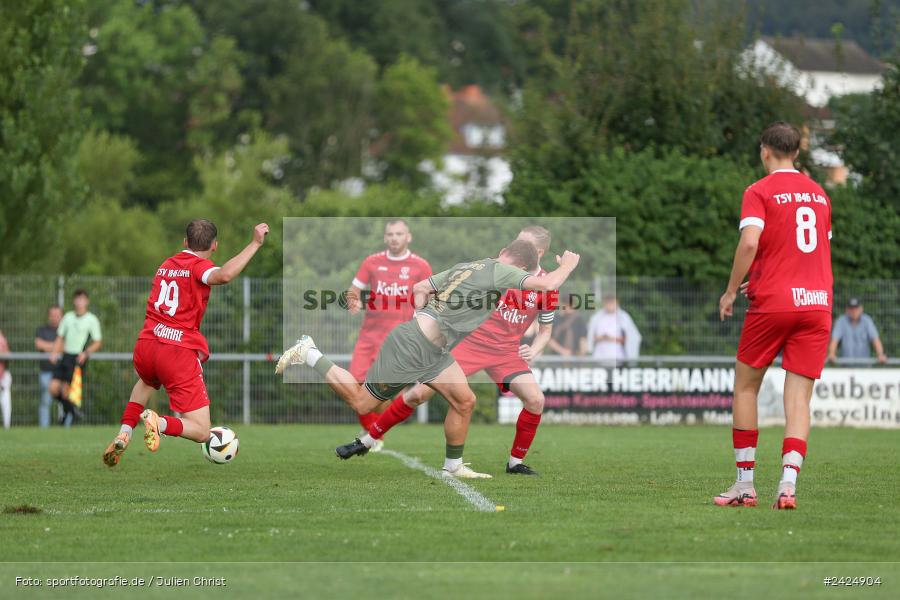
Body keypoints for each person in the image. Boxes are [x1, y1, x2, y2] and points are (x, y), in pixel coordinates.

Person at [276, 240, 580, 478]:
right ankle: (310, 352)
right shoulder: (504, 270)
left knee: (464, 400)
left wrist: (424, 318)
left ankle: (453, 466)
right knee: (361, 402)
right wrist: (567, 264)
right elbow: (548, 285)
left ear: (502, 251)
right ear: (523, 268)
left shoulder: (470, 265)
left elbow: (420, 288)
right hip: (414, 346)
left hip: (433, 350)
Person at [344, 226, 557, 476]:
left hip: (507, 352)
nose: (515, 246)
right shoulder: (495, 270)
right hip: (471, 343)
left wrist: (536, 349)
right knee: (417, 395)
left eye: (524, 243)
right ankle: (368, 440)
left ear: (539, 252)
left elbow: (545, 330)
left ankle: (515, 463)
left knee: (535, 400)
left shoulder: (545, 285)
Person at [717, 122, 833, 510]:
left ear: (764, 151)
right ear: (797, 153)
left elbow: (751, 241)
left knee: (746, 387)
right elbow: (804, 252)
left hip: (774, 305)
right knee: (799, 401)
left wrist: (734, 288)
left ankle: (745, 485)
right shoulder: (819, 194)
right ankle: (787, 486)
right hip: (817, 302)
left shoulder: (759, 191)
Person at [102, 220, 269, 467]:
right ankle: (158, 423)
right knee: (202, 431)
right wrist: (255, 243)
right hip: (176, 349)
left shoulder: (166, 265)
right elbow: (224, 275)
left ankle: (124, 433)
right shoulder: (199, 267)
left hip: (147, 343)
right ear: (214, 246)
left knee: (146, 382)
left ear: (184, 242)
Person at [344, 219, 432, 450]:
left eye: (399, 234)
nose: (394, 238)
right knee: (354, 386)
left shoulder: (420, 265)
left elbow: (432, 297)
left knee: (385, 393)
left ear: (408, 237)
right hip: (369, 338)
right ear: (385, 238)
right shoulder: (372, 262)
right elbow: (353, 292)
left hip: (400, 341)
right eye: (390, 234)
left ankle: (373, 434)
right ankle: (371, 432)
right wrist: (353, 302)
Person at [50, 290, 103, 426]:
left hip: (78, 358)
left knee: (67, 391)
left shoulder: (91, 319)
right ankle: (73, 411)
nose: (80, 302)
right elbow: (60, 337)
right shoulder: (67, 317)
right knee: (53, 388)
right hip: (65, 356)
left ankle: (67, 416)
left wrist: (86, 353)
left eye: (82, 299)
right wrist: (54, 352)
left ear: (87, 301)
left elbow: (98, 341)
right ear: (74, 301)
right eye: (77, 299)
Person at [828, 298, 887, 364]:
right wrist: (831, 354)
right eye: (851, 308)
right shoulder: (841, 321)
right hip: (845, 368)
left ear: (861, 309)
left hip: (864, 368)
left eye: (856, 308)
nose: (854, 311)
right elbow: (835, 340)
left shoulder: (867, 321)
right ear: (847, 310)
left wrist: (880, 354)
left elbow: (875, 339)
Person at [586, 296, 641, 363]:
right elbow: (590, 336)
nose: (609, 305)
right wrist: (601, 338)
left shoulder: (623, 318)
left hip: (618, 357)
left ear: (617, 303)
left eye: (612, 303)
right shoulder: (597, 318)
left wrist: (611, 338)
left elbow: (631, 338)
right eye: (608, 303)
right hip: (599, 357)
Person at [35, 305, 63, 428]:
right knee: (45, 402)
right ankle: (44, 428)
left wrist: (50, 348)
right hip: (46, 371)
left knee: (65, 401)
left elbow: (67, 347)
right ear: (48, 316)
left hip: (62, 372)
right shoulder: (42, 329)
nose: (55, 318)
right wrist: (57, 348)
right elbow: (38, 344)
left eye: (57, 315)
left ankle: (67, 428)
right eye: (52, 315)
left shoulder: (65, 330)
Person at [0, 328, 10, 429]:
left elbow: (7, 354)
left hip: (2, 376)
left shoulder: (1, 339)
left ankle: (7, 425)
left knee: (5, 399)